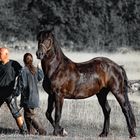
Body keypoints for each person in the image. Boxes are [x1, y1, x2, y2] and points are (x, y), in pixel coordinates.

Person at [15, 53, 46, 135]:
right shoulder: (35, 69)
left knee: (30, 115)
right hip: (35, 97)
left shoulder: (23, 71)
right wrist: (39, 68)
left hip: (28, 98)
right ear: (31, 60)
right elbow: (40, 77)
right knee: (26, 115)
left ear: (24, 61)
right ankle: (31, 132)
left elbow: (21, 85)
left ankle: (42, 131)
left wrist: (16, 93)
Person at [0, 47, 27, 134]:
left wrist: (19, 89)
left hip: (9, 94)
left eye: (0, 54)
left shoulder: (14, 64)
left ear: (6, 54)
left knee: (15, 113)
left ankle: (24, 131)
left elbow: (23, 74)